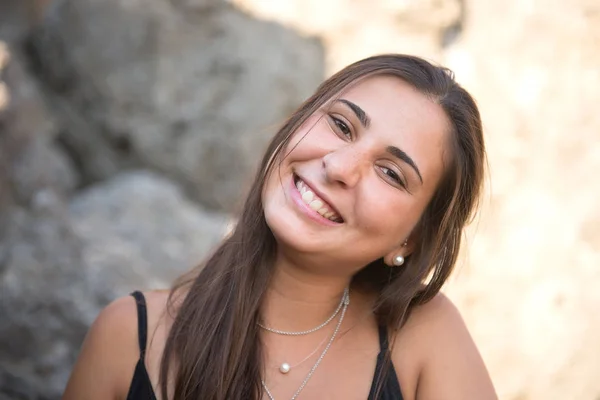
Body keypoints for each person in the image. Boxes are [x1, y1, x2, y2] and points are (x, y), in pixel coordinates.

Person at [63, 54, 497, 400]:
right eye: (342, 125)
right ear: (296, 123)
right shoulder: (129, 337)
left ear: (412, 238)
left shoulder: (424, 339)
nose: (340, 167)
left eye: (391, 173)